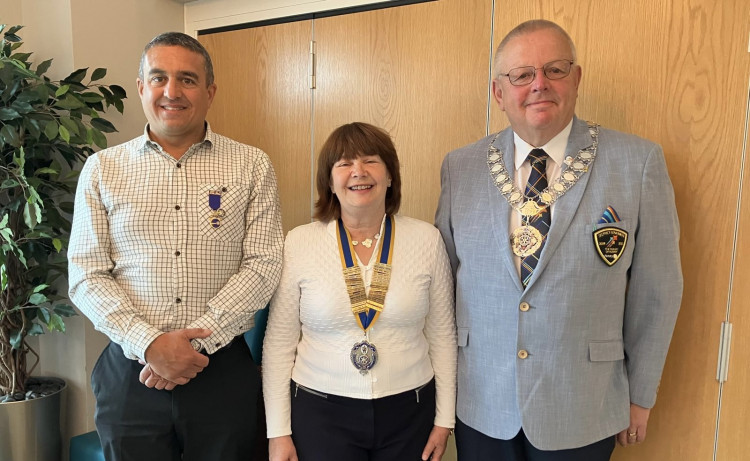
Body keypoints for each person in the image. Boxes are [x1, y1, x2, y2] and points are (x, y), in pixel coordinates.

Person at [435, 19, 683, 461]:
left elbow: (657, 292)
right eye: (522, 75)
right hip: (481, 402)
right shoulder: (461, 167)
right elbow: (441, 288)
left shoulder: (637, 162)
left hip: (583, 405)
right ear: (499, 92)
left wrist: (641, 395)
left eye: (555, 69)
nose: (539, 85)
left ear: (577, 77)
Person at [68, 32, 283, 461]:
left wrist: (192, 348)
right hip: (131, 373)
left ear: (209, 91)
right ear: (141, 87)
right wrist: (150, 344)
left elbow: (263, 264)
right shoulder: (102, 169)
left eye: (187, 79)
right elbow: (86, 274)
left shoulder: (251, 164)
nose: (172, 91)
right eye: (159, 77)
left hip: (221, 371)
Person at [263, 122, 456, 461]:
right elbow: (279, 344)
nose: (358, 172)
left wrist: (444, 420)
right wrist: (278, 432)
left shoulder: (427, 239)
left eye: (371, 160)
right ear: (330, 181)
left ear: (390, 175)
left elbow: (443, 337)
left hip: (409, 412)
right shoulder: (299, 243)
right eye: (344, 164)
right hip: (320, 412)